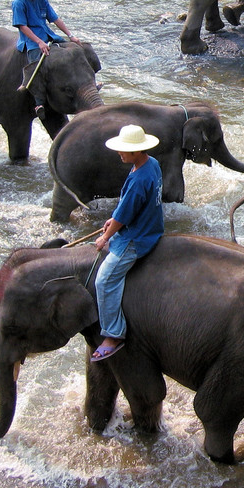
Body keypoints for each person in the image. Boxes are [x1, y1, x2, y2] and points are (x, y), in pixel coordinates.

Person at [90, 124, 165, 362]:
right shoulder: (151, 164)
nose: (120, 153)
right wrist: (115, 219)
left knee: (103, 280)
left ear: (137, 151)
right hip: (151, 227)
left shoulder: (138, 179)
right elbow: (132, 207)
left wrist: (105, 237)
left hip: (136, 238)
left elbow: (124, 215)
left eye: (124, 150)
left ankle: (113, 334)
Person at [12, 0, 81, 110]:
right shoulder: (19, 3)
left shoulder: (42, 0)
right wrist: (39, 42)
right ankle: (39, 102)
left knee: (78, 50)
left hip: (48, 35)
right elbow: (22, 26)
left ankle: (85, 84)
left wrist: (71, 35)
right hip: (31, 40)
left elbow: (55, 19)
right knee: (37, 65)